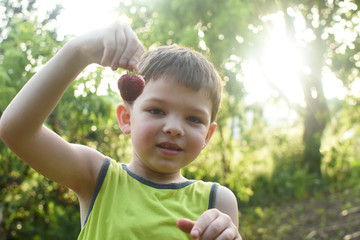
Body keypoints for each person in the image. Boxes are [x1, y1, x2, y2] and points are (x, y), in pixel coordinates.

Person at [0, 23, 241, 239]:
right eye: (157, 111)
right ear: (126, 118)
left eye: (193, 119)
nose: (174, 128)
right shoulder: (97, 178)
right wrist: (78, 52)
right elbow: (17, 131)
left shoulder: (217, 201)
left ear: (208, 136)